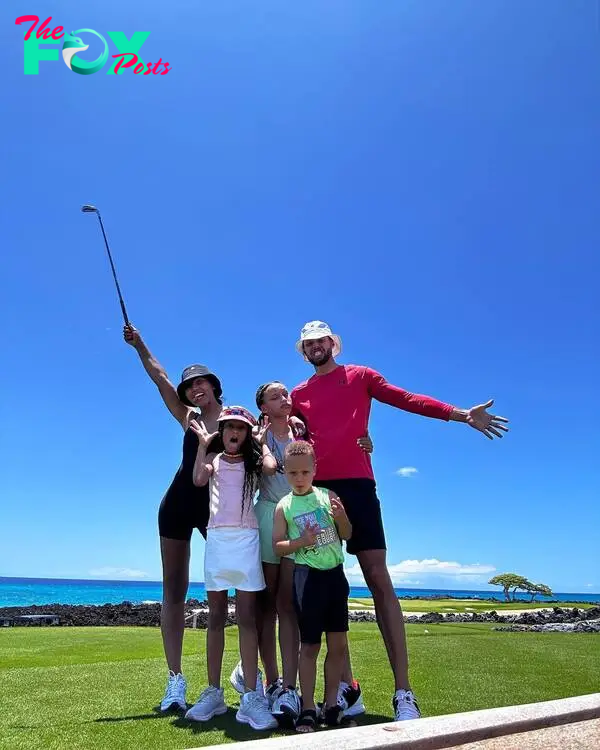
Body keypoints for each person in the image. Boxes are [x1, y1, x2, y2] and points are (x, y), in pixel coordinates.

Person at [290, 320, 509, 721]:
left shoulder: (360, 376)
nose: (316, 346)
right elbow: (291, 435)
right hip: (319, 493)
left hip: (358, 486)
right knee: (326, 582)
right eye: (308, 343)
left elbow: (407, 398)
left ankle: (403, 693)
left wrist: (460, 415)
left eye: (321, 340)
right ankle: (347, 688)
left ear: (332, 344)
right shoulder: (297, 394)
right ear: (303, 351)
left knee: (377, 577)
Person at [229, 381, 374, 726]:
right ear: (264, 406)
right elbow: (263, 467)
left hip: (302, 523)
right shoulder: (258, 437)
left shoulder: (301, 431)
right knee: (269, 604)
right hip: (271, 515)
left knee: (292, 603)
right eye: (276, 396)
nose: (285, 399)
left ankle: (300, 687)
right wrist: (263, 442)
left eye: (286, 394)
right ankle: (276, 682)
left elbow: (334, 444)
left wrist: (364, 443)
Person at [124, 324, 223, 712]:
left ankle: (229, 683)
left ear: (214, 386)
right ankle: (175, 681)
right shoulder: (188, 419)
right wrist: (139, 344)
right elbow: (159, 375)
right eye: (190, 387)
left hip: (216, 510)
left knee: (223, 594)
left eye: (201, 383)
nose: (195, 389)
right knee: (174, 592)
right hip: (177, 506)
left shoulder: (236, 420)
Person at [184, 405, 278, 731]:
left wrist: (261, 441)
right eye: (228, 428)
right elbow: (197, 479)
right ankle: (214, 692)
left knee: (248, 619)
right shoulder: (214, 461)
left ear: (246, 433)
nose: (233, 433)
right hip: (218, 544)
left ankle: (252, 695)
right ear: (221, 433)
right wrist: (202, 445)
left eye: (240, 428)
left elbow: (270, 466)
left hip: (247, 541)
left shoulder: (253, 463)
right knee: (216, 618)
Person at [273, 440, 354, 733]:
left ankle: (330, 705)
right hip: (307, 578)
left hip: (335, 576)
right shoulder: (285, 506)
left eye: (305, 472)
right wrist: (300, 542)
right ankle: (307, 707)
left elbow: (346, 534)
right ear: (284, 472)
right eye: (293, 473)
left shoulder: (327, 496)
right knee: (309, 646)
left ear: (314, 469)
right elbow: (278, 546)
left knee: (338, 644)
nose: (299, 478)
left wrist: (342, 516)